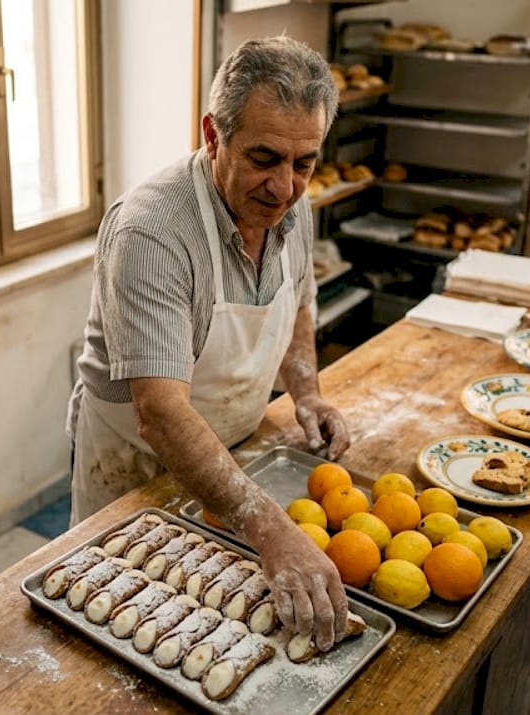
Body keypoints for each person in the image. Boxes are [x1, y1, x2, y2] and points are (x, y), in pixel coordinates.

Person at [65, 36, 350, 651]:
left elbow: (298, 297)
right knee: (129, 641)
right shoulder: (154, 231)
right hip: (134, 472)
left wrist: (308, 392)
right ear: (213, 134)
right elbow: (162, 411)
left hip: (231, 461)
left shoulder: (290, 206)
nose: (284, 187)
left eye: (304, 163)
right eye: (265, 158)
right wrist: (269, 530)